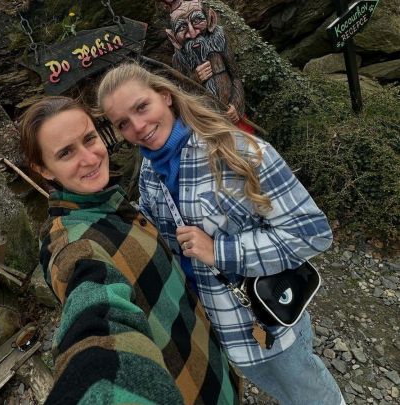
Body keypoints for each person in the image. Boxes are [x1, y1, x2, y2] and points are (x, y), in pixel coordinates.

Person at [98, 62, 345, 404]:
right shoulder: (150, 173)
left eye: (142, 107)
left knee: (311, 395)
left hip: (271, 321)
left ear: (166, 96)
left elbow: (312, 233)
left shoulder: (236, 152)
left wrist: (220, 251)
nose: (137, 127)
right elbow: (157, 234)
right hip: (213, 330)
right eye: (123, 123)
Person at [19, 96, 239, 405]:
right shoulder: (72, 245)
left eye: (89, 139)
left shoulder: (112, 207)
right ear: (43, 169)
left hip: (216, 377)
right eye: (66, 153)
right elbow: (94, 310)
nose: (89, 158)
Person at [159, 0, 252, 133]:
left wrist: (236, 105)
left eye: (197, 21)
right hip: (209, 123)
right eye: (182, 27)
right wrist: (195, 78)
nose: (193, 33)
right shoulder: (179, 58)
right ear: (173, 38)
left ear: (210, 20)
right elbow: (183, 94)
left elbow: (235, 77)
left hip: (233, 116)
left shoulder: (219, 40)